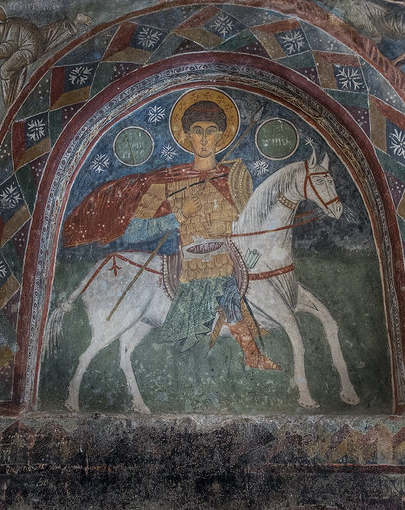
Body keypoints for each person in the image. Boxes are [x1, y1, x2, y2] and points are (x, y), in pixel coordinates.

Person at [64, 89, 279, 369]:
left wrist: (249, 249)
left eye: (211, 131)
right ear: (186, 136)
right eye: (197, 131)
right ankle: (252, 355)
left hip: (235, 257)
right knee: (224, 288)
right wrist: (177, 216)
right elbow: (135, 232)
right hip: (194, 262)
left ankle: (253, 354)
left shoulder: (235, 177)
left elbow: (247, 223)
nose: (204, 139)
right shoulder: (167, 181)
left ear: (221, 136)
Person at [0, 3, 91, 107]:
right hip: (36, 39)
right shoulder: (2, 32)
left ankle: (12, 102)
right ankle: (76, 21)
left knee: (4, 70)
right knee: (51, 33)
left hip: (29, 49)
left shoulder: (11, 26)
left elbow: (8, 49)